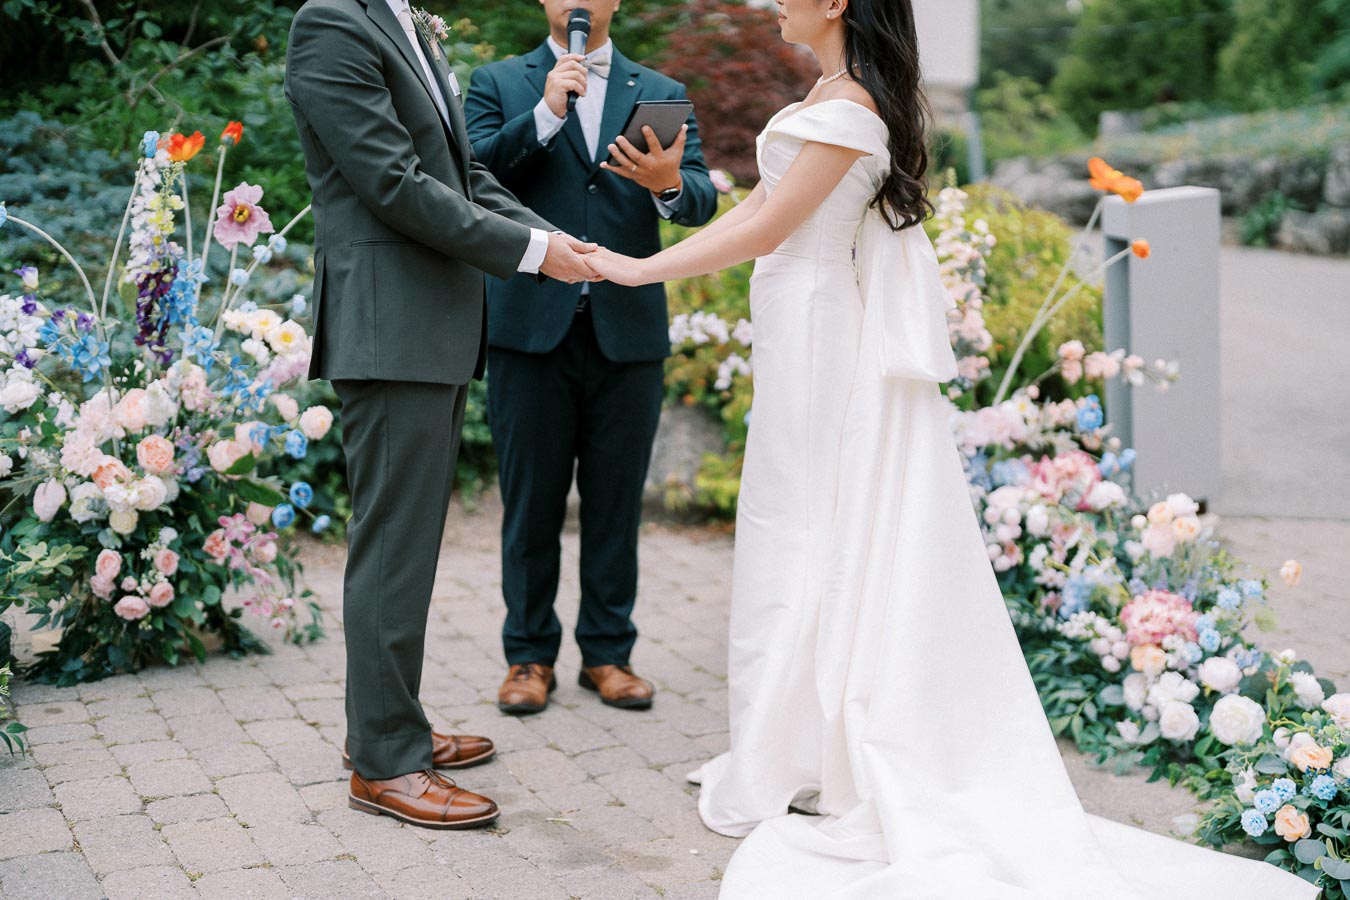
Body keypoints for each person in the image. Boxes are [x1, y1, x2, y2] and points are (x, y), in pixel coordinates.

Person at [585, 0, 1322, 896]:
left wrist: (633, 267)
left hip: (820, 334)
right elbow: (774, 212)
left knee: (810, 524)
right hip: (797, 322)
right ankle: (793, 735)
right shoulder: (834, 91)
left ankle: (817, 734)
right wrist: (672, 196)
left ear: (836, 4)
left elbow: (767, 230)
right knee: (791, 521)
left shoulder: (852, 106)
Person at [284, 0, 600, 829]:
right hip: (390, 326)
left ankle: (392, 730)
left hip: (431, 323)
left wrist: (557, 244)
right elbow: (392, 182)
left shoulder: (403, 23)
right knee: (391, 550)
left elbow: (464, 174)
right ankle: (386, 766)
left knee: (410, 544)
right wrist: (531, 253)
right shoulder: (332, 22)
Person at [464, 0, 717, 716]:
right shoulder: (498, 82)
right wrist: (545, 115)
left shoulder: (661, 92)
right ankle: (528, 655)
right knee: (531, 504)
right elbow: (472, 175)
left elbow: (699, 198)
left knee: (615, 503)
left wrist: (666, 182)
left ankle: (608, 653)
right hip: (528, 325)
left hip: (626, 330)